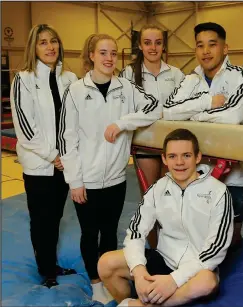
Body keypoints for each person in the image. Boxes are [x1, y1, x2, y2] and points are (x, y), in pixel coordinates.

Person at [58, 33, 161, 303]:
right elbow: (67, 139)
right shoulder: (76, 91)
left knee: (109, 232)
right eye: (103, 53)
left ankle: (105, 276)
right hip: (87, 181)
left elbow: (153, 107)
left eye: (113, 53)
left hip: (115, 179)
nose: (109, 58)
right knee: (90, 233)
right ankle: (94, 282)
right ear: (91, 55)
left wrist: (124, 122)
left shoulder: (125, 87)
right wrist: (75, 181)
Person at [97, 128, 234, 306]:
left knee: (207, 281)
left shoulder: (218, 192)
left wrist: (174, 280)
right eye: (172, 156)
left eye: (186, 155)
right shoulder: (158, 189)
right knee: (106, 263)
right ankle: (131, 300)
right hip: (164, 260)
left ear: (198, 157)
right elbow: (135, 232)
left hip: (196, 269)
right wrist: (138, 272)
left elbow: (216, 248)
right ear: (164, 159)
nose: (179, 162)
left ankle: (140, 305)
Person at [163, 22, 243, 248]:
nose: (206, 51)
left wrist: (194, 116)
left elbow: (234, 115)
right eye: (200, 46)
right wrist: (206, 103)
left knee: (230, 235)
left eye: (212, 45)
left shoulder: (242, 77)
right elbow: (168, 111)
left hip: (232, 174)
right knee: (198, 234)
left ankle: (229, 281)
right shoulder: (190, 80)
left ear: (225, 48)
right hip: (197, 173)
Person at [9, 24, 78, 288]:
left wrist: (68, 155)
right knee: (41, 220)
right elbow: (25, 127)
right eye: (43, 43)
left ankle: (51, 263)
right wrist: (53, 155)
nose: (50, 47)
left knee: (56, 217)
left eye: (54, 41)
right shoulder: (23, 79)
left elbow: (73, 121)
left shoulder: (69, 79)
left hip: (64, 163)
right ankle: (46, 269)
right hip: (40, 165)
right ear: (33, 48)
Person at [119, 24, 185, 249]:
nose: (153, 47)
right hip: (145, 146)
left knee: (171, 200)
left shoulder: (176, 74)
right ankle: (155, 250)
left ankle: (173, 248)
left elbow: (184, 107)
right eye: (147, 43)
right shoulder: (129, 74)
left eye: (158, 42)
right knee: (151, 201)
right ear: (140, 45)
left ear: (164, 45)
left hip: (172, 147)